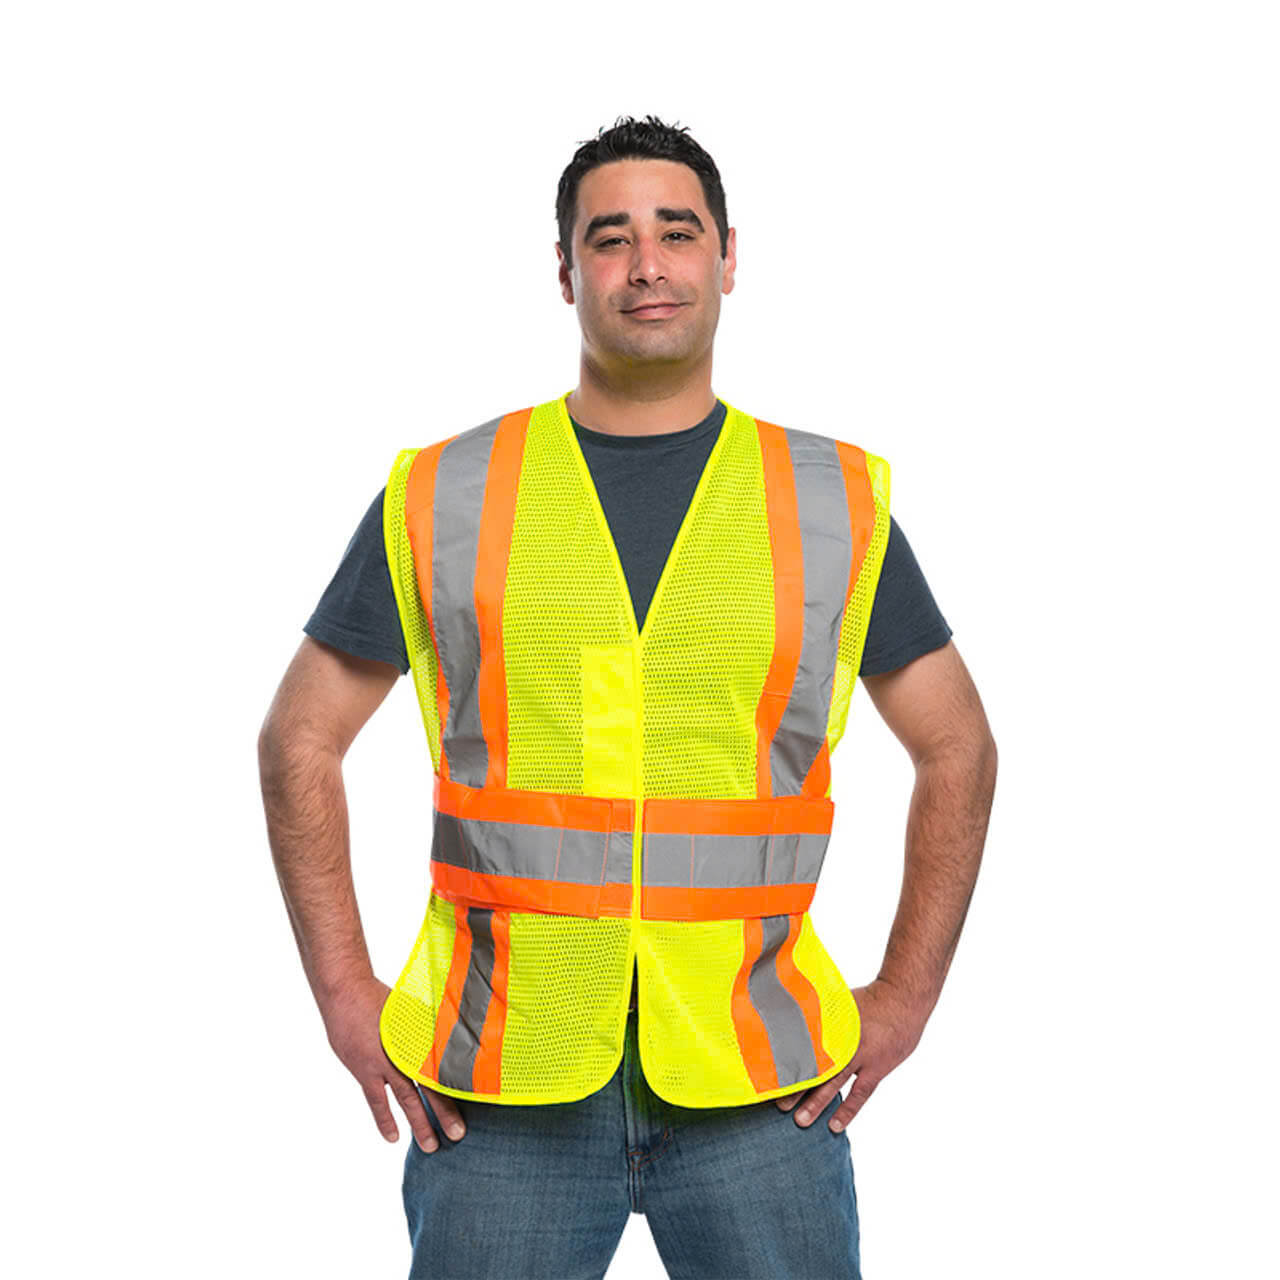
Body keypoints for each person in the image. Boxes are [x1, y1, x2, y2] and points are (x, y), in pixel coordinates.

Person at [259, 114, 997, 1280]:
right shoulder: (447, 490)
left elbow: (956, 745)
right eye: (609, 238)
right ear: (565, 273)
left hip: (759, 1086)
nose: (646, 263)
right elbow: (299, 737)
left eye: (676, 231)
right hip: (501, 1084)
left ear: (728, 257)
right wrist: (345, 993)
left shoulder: (828, 499)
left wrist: (905, 995)